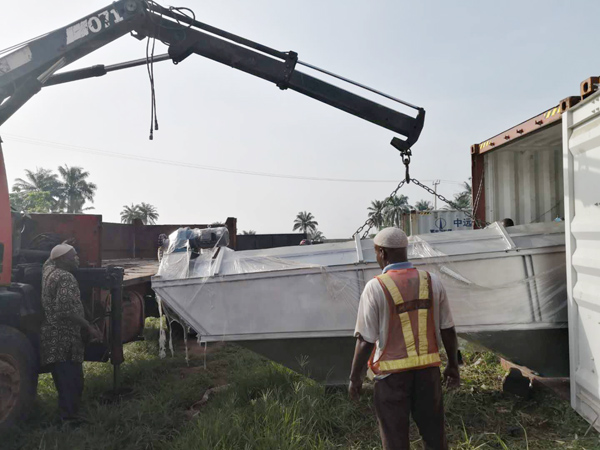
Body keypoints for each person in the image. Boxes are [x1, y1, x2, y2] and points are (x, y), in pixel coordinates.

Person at [349, 227, 460, 450]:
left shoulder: (375, 287)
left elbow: (365, 340)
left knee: (395, 440)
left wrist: (355, 378)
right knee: (435, 436)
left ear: (382, 252)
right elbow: (448, 329)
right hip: (428, 375)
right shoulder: (432, 281)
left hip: (391, 380)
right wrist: (453, 365)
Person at [40, 244, 102, 422]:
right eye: (73, 256)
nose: (77, 259)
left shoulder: (48, 271)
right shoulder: (66, 278)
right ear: (61, 260)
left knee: (63, 379)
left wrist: (62, 243)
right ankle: (69, 419)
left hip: (52, 337)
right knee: (72, 381)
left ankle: (67, 415)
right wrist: (88, 326)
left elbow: (49, 260)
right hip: (64, 338)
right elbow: (65, 310)